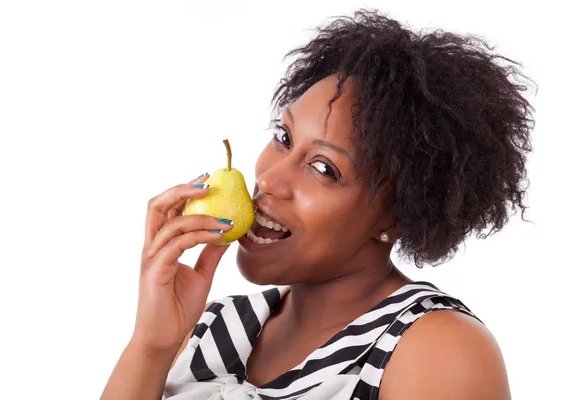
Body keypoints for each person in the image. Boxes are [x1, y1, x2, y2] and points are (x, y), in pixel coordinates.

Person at [101, 9, 534, 400]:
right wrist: (150, 346)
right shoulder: (209, 328)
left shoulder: (437, 349)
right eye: (284, 138)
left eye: (324, 168)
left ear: (396, 214)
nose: (269, 178)